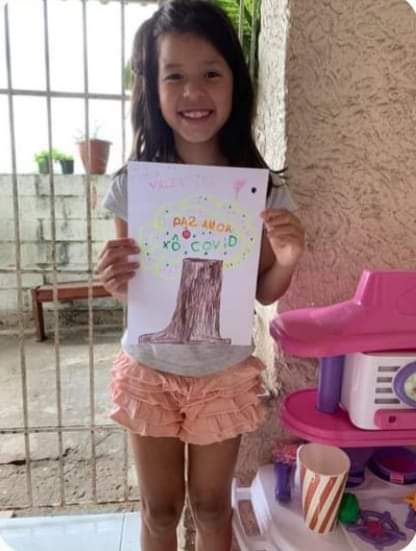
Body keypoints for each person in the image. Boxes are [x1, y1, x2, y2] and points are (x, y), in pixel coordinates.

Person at [96, 1, 305, 550]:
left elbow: (263, 289)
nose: (193, 92)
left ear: (236, 82)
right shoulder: (134, 185)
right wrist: (116, 280)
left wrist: (286, 258)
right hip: (150, 369)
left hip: (222, 373)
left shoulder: (261, 189)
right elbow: (134, 285)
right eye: (174, 76)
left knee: (213, 507)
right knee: (160, 509)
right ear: (153, 89)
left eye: (211, 73)